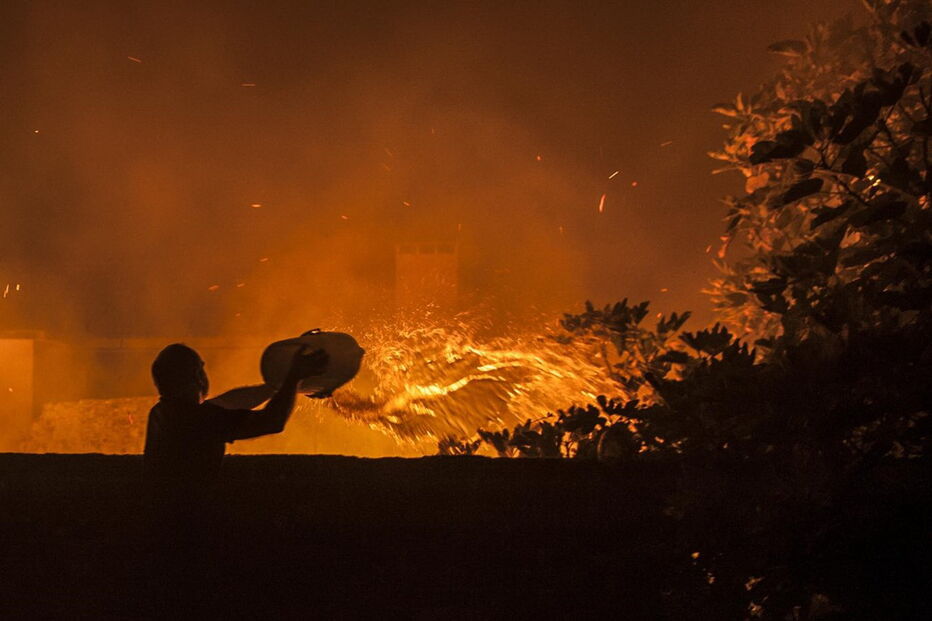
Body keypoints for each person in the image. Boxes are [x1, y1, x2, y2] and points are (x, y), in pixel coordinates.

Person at [142, 342, 326, 613]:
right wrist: (294, 377)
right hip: (190, 538)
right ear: (197, 376)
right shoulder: (197, 420)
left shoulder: (163, 413)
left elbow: (226, 403)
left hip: (163, 534)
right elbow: (272, 421)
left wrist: (277, 387)